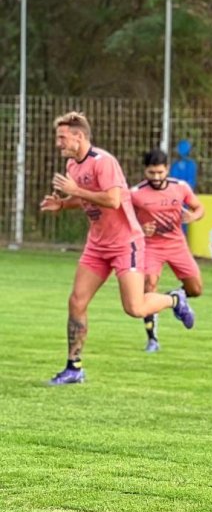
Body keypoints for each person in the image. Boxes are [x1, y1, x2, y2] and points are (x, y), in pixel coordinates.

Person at [39, 112, 195, 384]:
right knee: (76, 302)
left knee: (134, 308)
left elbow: (112, 199)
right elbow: (89, 201)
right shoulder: (72, 166)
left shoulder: (104, 162)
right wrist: (64, 203)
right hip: (97, 245)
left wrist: (75, 191)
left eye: (62, 137)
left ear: (79, 136)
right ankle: (74, 367)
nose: (58, 143)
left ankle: (174, 299)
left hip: (126, 243)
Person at [130, 149, 205, 353]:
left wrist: (193, 216)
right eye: (151, 173)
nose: (156, 177)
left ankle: (176, 296)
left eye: (160, 172)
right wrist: (139, 228)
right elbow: (123, 221)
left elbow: (199, 208)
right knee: (149, 286)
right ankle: (152, 339)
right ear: (145, 171)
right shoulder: (136, 194)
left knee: (196, 289)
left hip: (177, 245)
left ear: (167, 170)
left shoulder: (180, 188)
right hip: (151, 246)